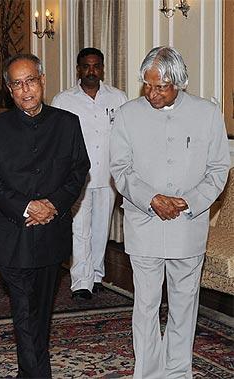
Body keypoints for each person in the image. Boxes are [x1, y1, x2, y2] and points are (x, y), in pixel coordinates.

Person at [110, 46, 230, 379]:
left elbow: (219, 169)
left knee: (183, 304)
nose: (151, 94)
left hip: (188, 227)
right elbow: (120, 168)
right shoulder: (127, 114)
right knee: (145, 306)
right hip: (144, 222)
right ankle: (148, 373)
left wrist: (189, 200)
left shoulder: (207, 114)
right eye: (147, 85)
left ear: (179, 82)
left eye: (160, 87)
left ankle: (177, 372)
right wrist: (152, 199)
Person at [0, 54, 90, 378]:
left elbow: (79, 169)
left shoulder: (67, 123)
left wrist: (52, 205)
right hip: (13, 234)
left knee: (41, 312)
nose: (25, 89)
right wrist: (27, 207)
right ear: (8, 89)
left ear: (42, 80)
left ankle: (29, 371)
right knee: (24, 310)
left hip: (52, 232)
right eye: (17, 83)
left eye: (30, 81)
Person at [52, 47, 128, 300]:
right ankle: (80, 283)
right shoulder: (64, 100)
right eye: (86, 66)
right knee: (80, 229)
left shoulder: (118, 98)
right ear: (78, 69)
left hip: (108, 176)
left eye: (96, 66)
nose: (91, 71)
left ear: (102, 68)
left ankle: (96, 276)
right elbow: (57, 141)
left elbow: (125, 136)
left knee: (101, 229)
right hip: (77, 178)